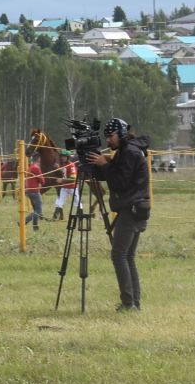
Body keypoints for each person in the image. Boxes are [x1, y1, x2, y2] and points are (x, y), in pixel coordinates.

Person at [83, 116, 150, 311]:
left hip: (131, 209)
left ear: (121, 134)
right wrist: (97, 166)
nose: (108, 140)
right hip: (136, 208)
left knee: (118, 255)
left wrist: (104, 164)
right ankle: (133, 303)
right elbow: (113, 175)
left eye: (110, 136)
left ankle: (129, 303)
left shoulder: (129, 152)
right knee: (127, 256)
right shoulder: (126, 151)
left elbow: (120, 181)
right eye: (106, 137)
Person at [53, 155, 79, 221]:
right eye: (62, 156)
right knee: (60, 201)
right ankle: (55, 217)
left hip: (72, 187)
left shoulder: (71, 165)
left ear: (67, 157)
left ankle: (80, 214)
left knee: (77, 202)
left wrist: (62, 180)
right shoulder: (64, 164)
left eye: (64, 157)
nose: (62, 158)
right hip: (64, 187)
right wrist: (58, 168)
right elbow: (64, 171)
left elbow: (73, 178)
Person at [23, 156, 44, 229]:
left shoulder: (30, 167)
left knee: (35, 210)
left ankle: (35, 227)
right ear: (38, 159)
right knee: (38, 210)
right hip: (35, 191)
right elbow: (42, 181)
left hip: (29, 191)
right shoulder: (36, 168)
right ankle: (24, 221)